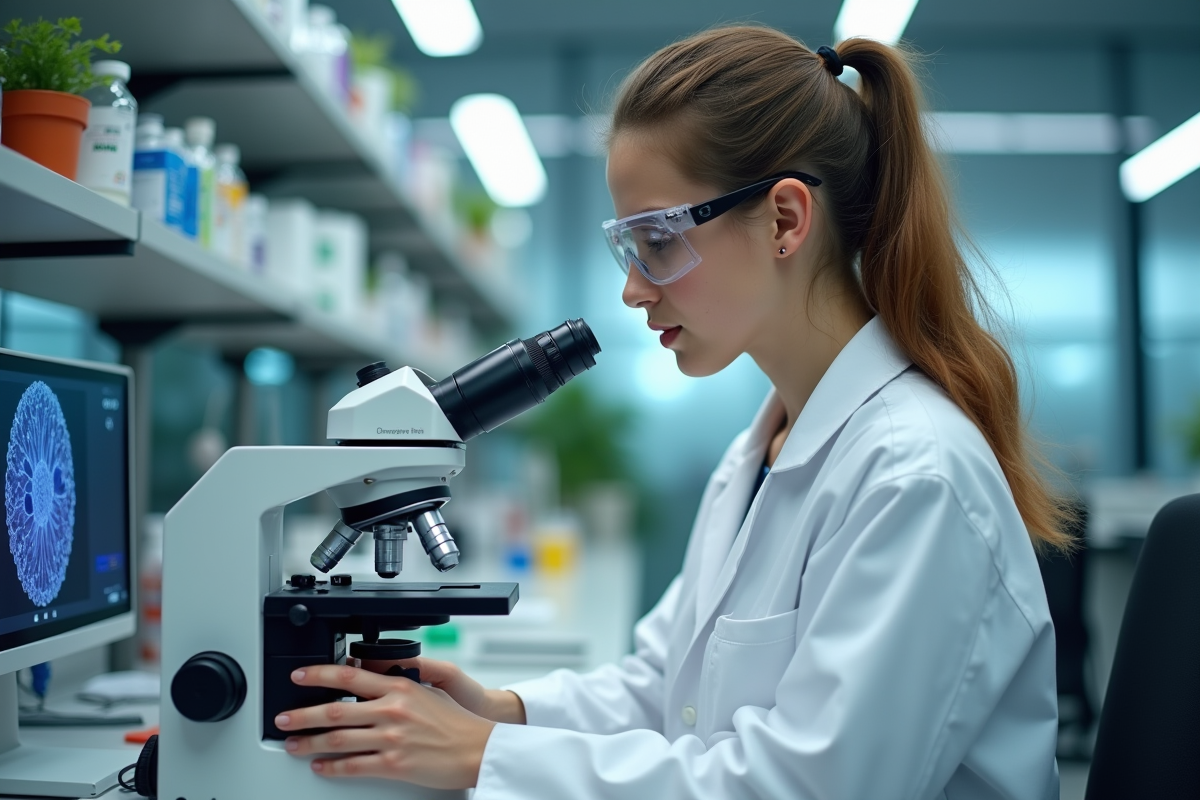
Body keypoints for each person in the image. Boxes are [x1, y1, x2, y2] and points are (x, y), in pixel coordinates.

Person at [274, 25, 1071, 799]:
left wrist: (484, 756)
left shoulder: (914, 475)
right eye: (627, 247)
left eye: (657, 241)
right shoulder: (763, 451)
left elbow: (805, 787)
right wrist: (500, 713)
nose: (633, 288)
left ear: (786, 220)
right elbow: (669, 687)